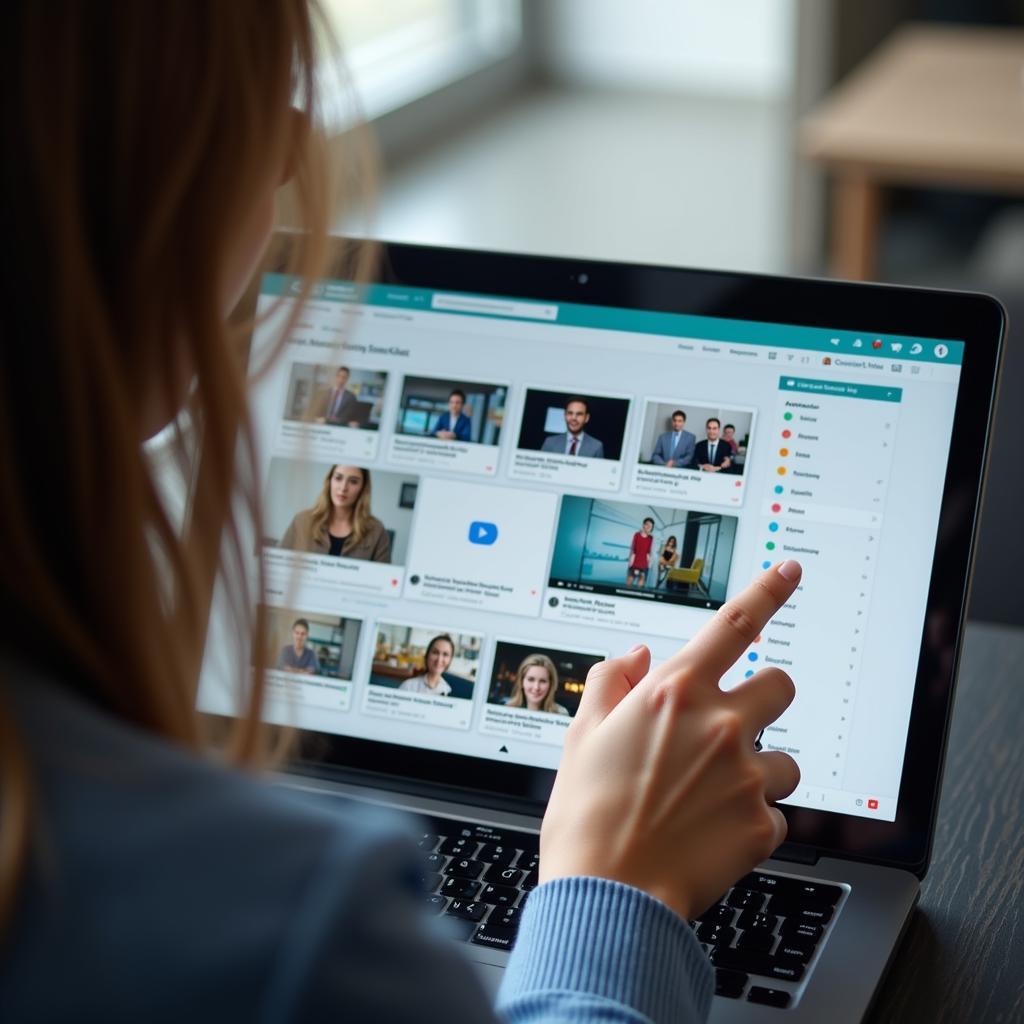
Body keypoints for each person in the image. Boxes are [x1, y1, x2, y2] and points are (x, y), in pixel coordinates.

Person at [0, 5, 802, 1021]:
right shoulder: (296, 927)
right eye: (255, 98)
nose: (295, 147)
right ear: (137, 187)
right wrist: (620, 888)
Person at [279, 464, 391, 561]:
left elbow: (383, 580)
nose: (343, 488)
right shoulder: (301, 521)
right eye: (338, 478)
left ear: (363, 488)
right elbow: (279, 565)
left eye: (353, 481)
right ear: (330, 481)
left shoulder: (377, 531)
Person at [540, 397, 605, 458]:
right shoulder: (549, 442)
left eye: (579, 414)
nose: (573, 418)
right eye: (570, 413)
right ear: (565, 415)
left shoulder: (596, 446)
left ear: (586, 418)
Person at [505, 654, 569, 715]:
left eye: (543, 681)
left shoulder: (561, 713)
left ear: (551, 684)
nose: (536, 687)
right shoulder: (507, 709)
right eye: (531, 679)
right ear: (521, 682)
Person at [627, 517, 656, 588]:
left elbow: (651, 552)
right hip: (634, 564)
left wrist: (650, 564)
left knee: (640, 587)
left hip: (644, 565)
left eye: (651, 527)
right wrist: (629, 561)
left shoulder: (651, 538)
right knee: (628, 585)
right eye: (647, 525)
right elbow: (632, 548)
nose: (649, 527)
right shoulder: (636, 535)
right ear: (643, 525)